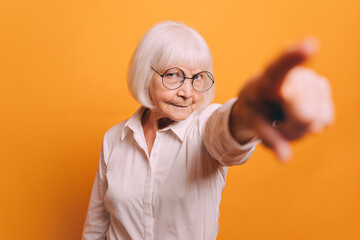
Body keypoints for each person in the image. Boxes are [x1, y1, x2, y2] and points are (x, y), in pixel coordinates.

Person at [82, 21, 333, 239]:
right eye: (173, 75)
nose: (187, 92)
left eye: (198, 77)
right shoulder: (114, 139)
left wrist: (247, 113)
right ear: (145, 75)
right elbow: (95, 229)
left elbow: (226, 132)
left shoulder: (204, 128)